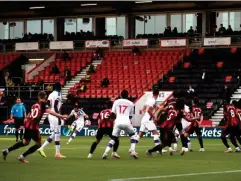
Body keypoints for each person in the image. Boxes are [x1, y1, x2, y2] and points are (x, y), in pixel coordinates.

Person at [2, 91, 67, 163]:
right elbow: (50, 112)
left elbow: (29, 114)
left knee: (25, 142)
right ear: (45, 97)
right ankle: (22, 156)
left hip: (27, 125)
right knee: (38, 144)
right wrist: (61, 116)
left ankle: (7, 150)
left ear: (38, 97)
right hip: (33, 127)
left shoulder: (34, 105)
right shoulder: (43, 104)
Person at [102, 90, 138, 159]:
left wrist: (111, 119)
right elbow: (131, 116)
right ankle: (132, 151)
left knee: (113, 138)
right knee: (133, 136)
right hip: (127, 122)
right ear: (127, 96)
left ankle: (105, 153)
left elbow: (113, 114)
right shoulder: (131, 103)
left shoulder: (116, 101)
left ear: (120, 95)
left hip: (117, 122)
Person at [37, 83, 66, 158]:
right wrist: (58, 115)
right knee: (57, 134)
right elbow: (56, 104)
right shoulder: (59, 94)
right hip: (55, 115)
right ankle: (57, 153)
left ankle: (41, 148)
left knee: (54, 134)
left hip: (50, 115)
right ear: (59, 87)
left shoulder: (50, 94)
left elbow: (48, 104)